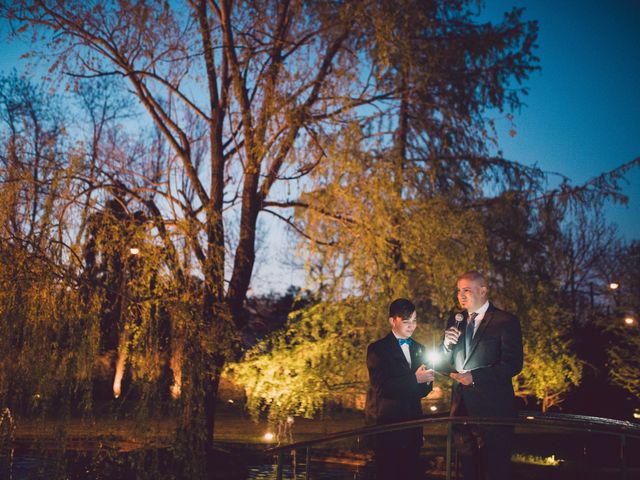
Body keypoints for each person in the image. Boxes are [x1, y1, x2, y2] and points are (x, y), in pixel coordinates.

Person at [442, 271, 523, 480]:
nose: (461, 295)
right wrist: (445, 346)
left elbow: (513, 365)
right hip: (461, 408)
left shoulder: (505, 321)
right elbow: (445, 363)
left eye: (466, 290)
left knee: (494, 470)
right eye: (459, 290)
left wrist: (475, 376)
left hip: (494, 412)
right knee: (468, 471)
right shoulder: (455, 320)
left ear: (483, 290)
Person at [365, 298, 435, 480]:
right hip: (388, 429)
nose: (412, 326)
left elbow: (422, 391)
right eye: (406, 321)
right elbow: (382, 388)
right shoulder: (377, 349)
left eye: (414, 321)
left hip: (413, 428)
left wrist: (427, 382)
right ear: (392, 321)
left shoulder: (420, 348)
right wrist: (415, 379)